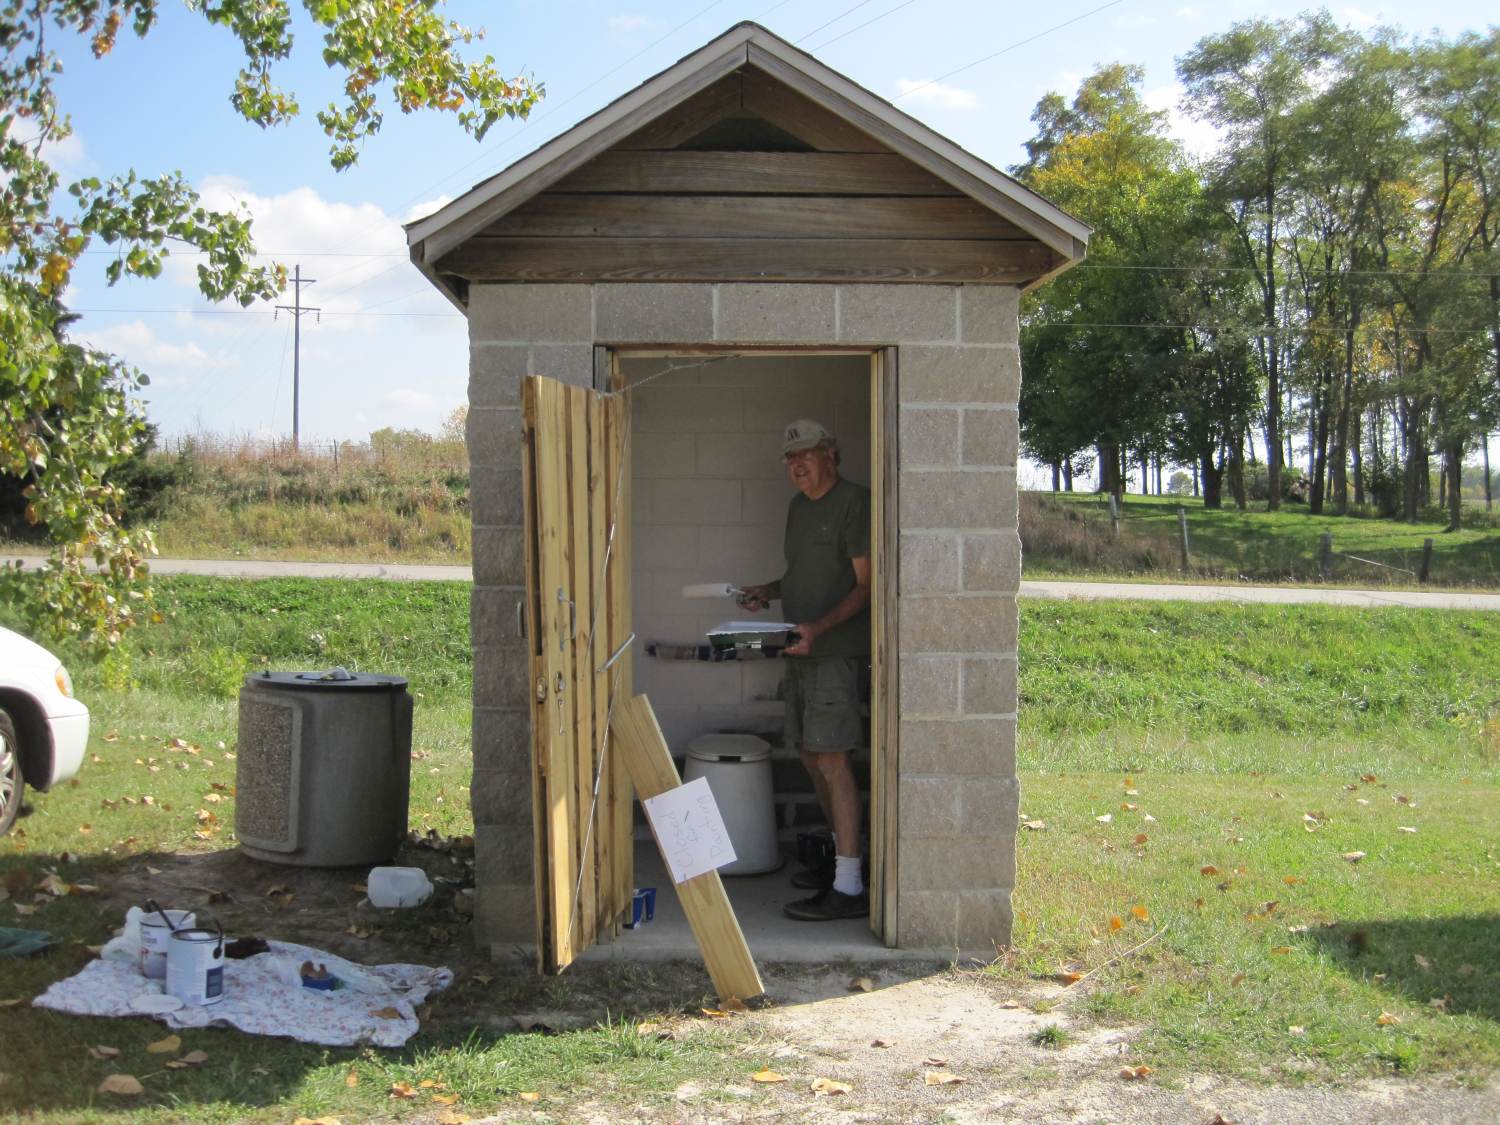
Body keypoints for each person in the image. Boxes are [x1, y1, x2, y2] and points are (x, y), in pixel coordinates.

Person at [738, 418, 871, 921]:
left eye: (808, 454)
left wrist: (818, 627)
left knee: (833, 763)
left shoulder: (854, 503)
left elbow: (866, 585)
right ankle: (841, 867)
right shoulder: (798, 508)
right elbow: (800, 576)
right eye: (791, 458)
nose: (798, 465)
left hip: (833, 655)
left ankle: (850, 886)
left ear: (831, 455)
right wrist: (766, 593)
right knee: (812, 760)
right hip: (799, 648)